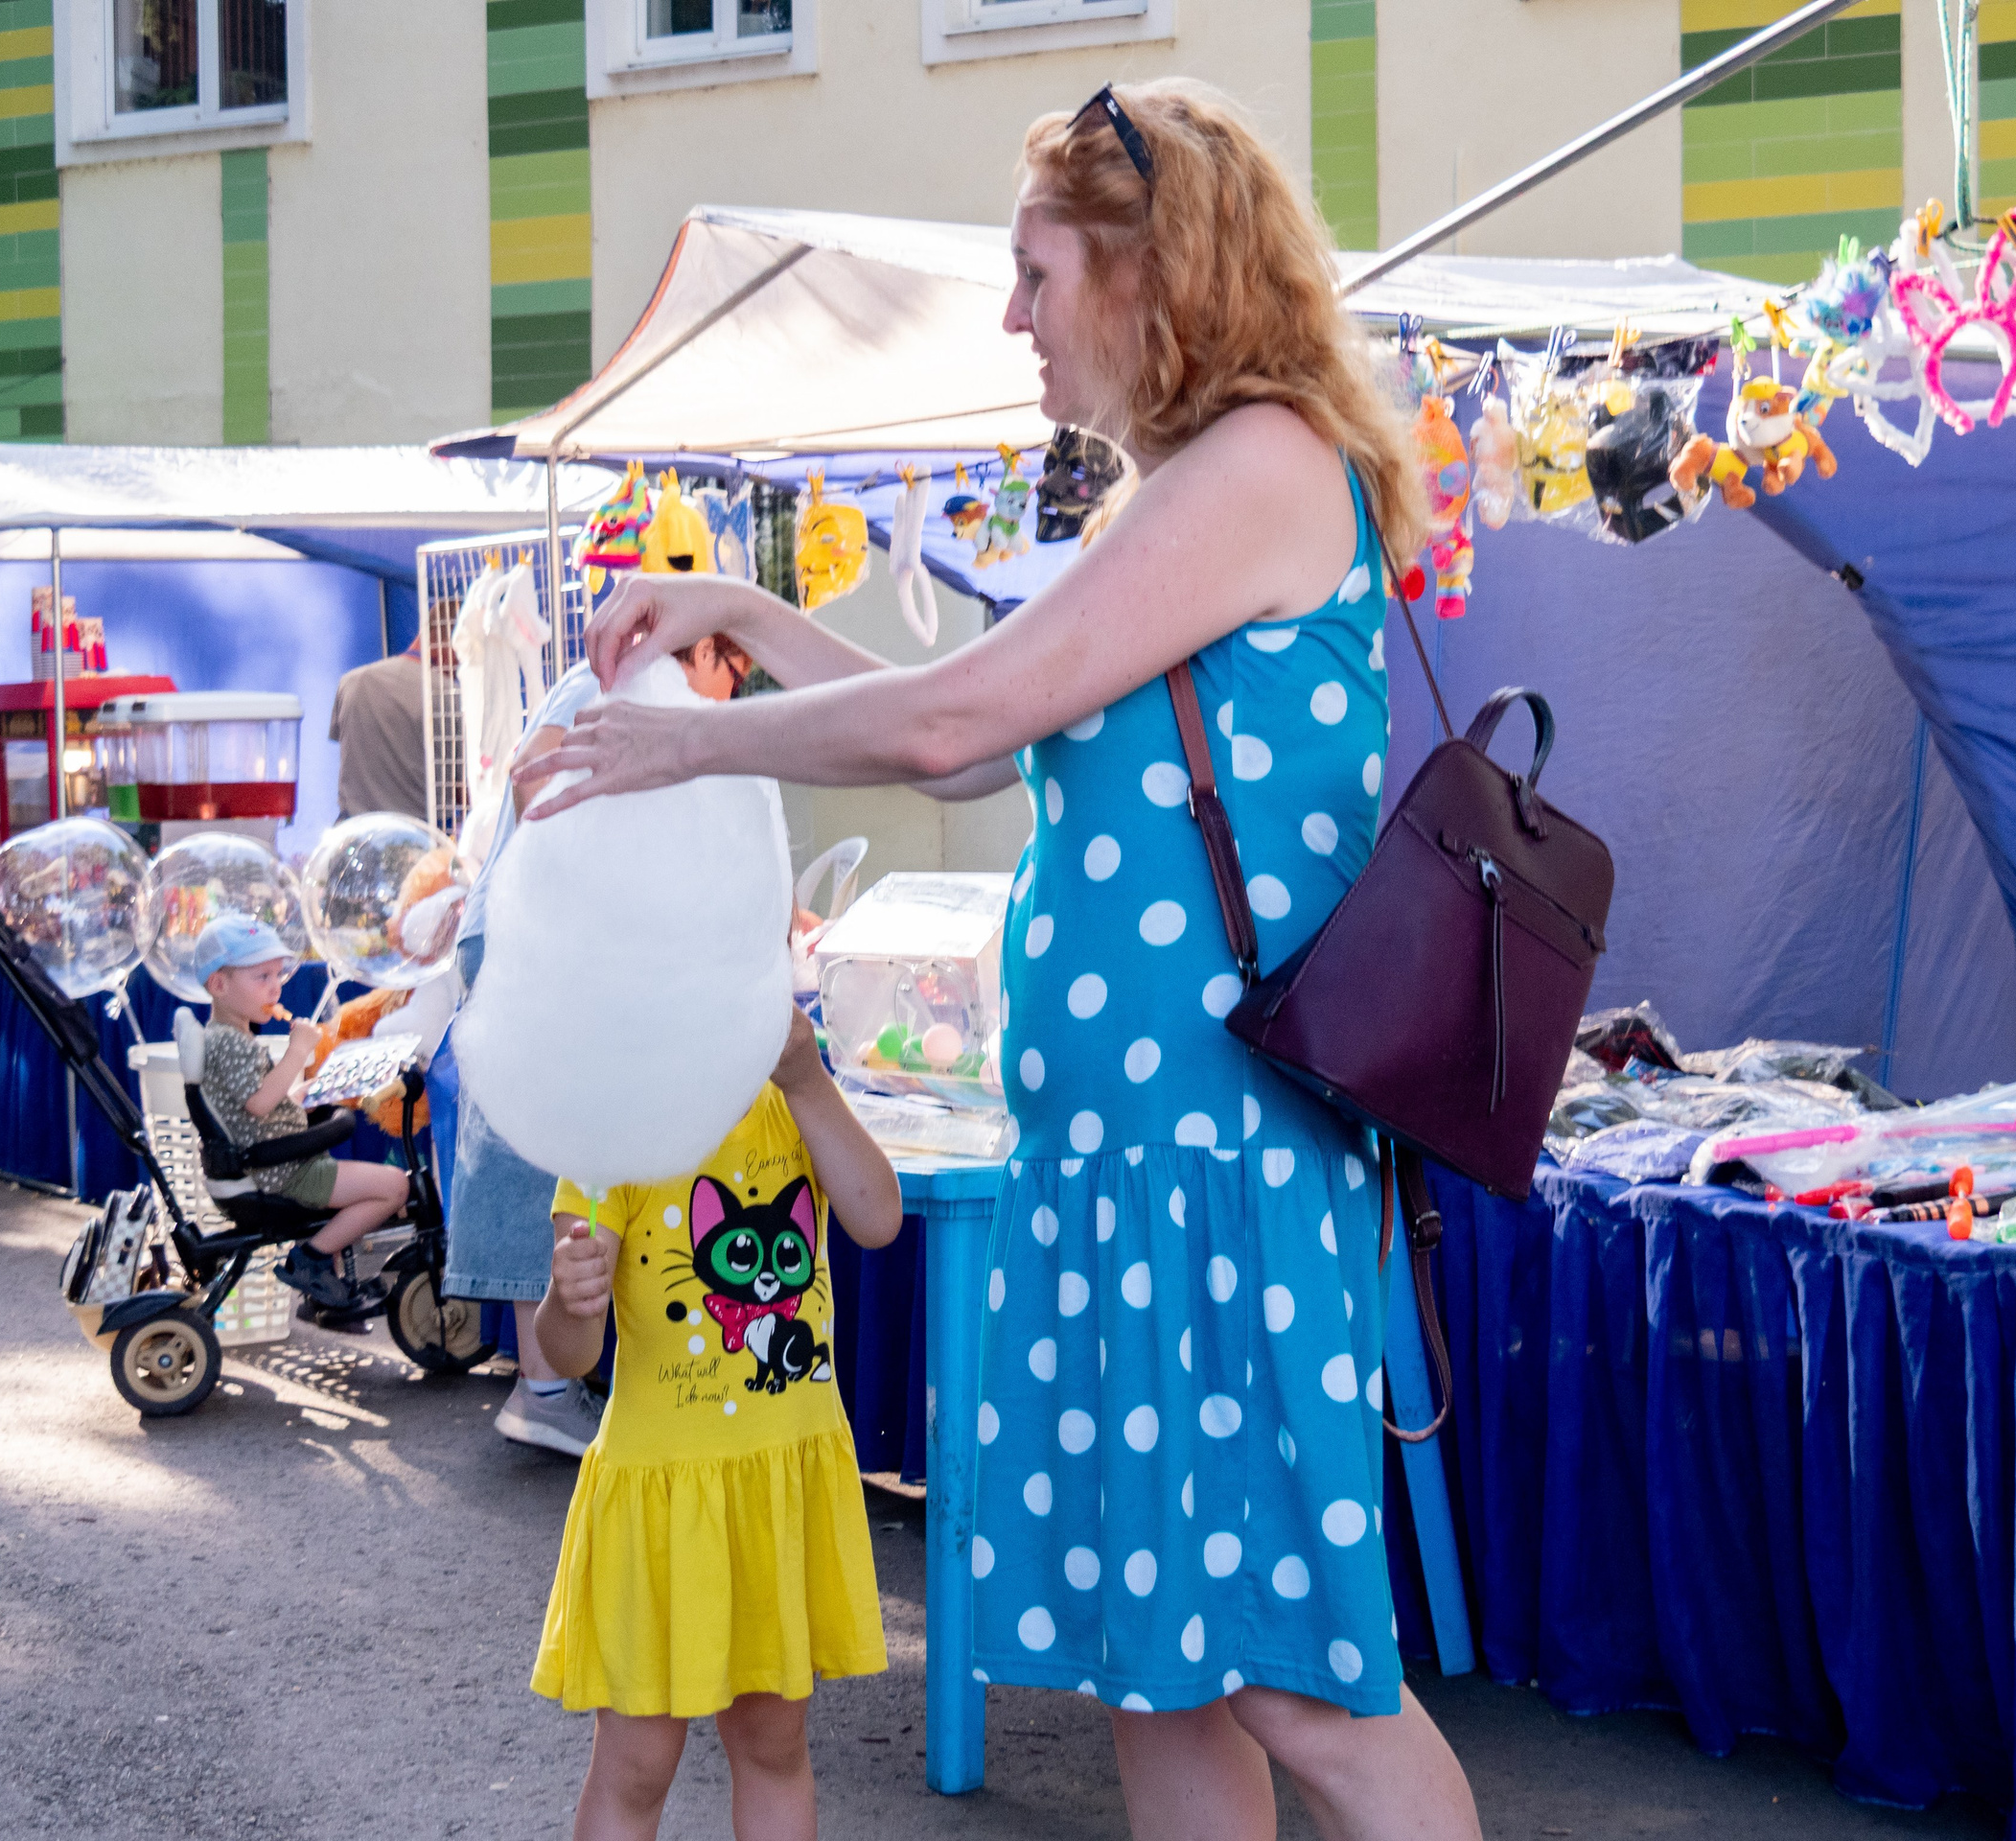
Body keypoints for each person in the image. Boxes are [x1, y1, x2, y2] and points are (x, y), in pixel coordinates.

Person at [514, 78, 1479, 1841]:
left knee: (1295, 1677)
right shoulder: (1178, 493)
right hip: (1134, 1169)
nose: (1013, 315)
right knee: (1165, 1673)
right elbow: (971, 749)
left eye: (1036, 273)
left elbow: (967, 705)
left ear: (1150, 267)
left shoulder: (1260, 463)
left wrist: (690, 744)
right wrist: (736, 617)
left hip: (1212, 1169)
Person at [529, 1004, 904, 1841]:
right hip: (662, 1510)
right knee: (636, 1764)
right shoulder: (611, 1132)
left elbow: (877, 1219)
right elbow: (568, 1350)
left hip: (778, 1492)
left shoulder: (792, 1102)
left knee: (774, 1746)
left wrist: (808, 1079)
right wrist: (567, 1297)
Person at [450, 623, 753, 1456]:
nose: (736, 688)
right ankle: (544, 1387)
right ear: (698, 651)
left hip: (560, 941)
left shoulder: (642, 698)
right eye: (735, 666)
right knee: (540, 1148)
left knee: (556, 1148)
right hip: (540, 942)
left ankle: (550, 1379)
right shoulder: (619, 684)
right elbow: (535, 775)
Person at [193, 914, 409, 1314]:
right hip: (285, 1171)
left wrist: (308, 1090)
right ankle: (310, 1260)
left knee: (376, 1181)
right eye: (262, 977)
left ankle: (324, 1278)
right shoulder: (230, 1043)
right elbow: (259, 1104)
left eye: (278, 975)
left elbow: (261, 1105)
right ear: (219, 985)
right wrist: (297, 1052)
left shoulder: (231, 1037)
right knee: (395, 1186)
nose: (275, 987)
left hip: (279, 1160)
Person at [330, 638, 435, 821]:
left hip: (352, 830)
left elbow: (344, 751)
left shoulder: (351, 681)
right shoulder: (448, 693)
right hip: (421, 833)